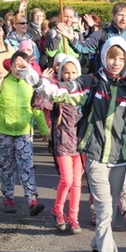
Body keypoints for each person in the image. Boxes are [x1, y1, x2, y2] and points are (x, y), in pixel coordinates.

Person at [30, 37, 126, 252]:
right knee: (105, 210)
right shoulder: (92, 82)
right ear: (104, 57)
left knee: (111, 214)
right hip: (94, 156)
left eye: (121, 58)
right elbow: (63, 91)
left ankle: (97, 249)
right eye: (111, 57)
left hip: (120, 161)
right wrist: (38, 81)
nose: (116, 63)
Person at [0, 51, 49, 216]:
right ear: (10, 65)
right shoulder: (2, 82)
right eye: (15, 64)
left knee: (26, 165)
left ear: (28, 66)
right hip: (4, 132)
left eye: (22, 65)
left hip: (24, 131)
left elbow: (37, 109)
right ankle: (8, 197)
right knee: (7, 165)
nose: (18, 68)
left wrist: (44, 129)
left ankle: (32, 199)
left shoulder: (31, 84)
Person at [49, 55, 84, 234]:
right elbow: (40, 103)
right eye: (66, 72)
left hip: (79, 143)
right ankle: (58, 210)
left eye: (73, 72)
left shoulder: (82, 94)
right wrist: (45, 83)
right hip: (63, 141)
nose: (70, 76)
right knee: (67, 179)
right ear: (61, 73)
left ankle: (74, 217)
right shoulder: (57, 92)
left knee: (77, 182)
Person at [64, 1, 126, 71]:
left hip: (122, 81)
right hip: (102, 79)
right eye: (120, 15)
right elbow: (83, 48)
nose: (123, 19)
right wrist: (72, 39)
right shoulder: (102, 33)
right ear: (113, 15)